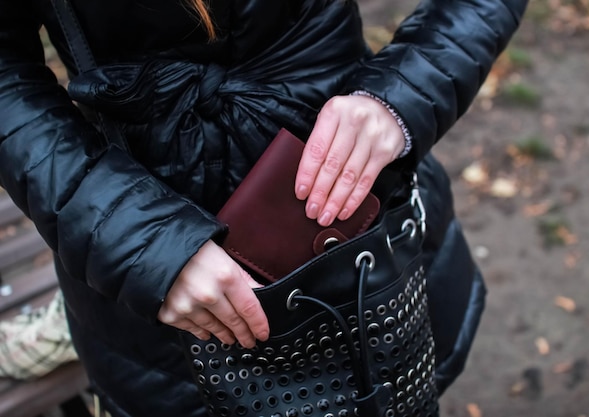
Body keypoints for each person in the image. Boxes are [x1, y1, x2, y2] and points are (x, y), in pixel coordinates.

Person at [0, 0, 527, 416]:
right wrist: (135, 238)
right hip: (128, 231)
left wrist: (408, 90)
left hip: (353, 207)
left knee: (386, 388)